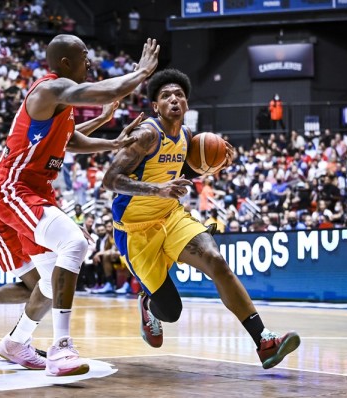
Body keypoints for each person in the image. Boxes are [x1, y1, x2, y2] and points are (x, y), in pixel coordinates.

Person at [0, 34, 159, 376]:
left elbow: (70, 140)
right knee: (75, 243)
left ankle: (16, 343)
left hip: (36, 192)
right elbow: (106, 91)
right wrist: (141, 73)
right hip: (13, 190)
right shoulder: (48, 90)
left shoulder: (60, 109)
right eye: (84, 56)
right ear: (65, 63)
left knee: (50, 282)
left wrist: (113, 141)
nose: (90, 62)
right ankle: (61, 347)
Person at [102, 69, 300, 369]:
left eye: (179, 94)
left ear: (187, 104)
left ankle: (264, 341)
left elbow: (181, 171)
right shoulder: (146, 135)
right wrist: (157, 189)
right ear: (155, 106)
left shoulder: (186, 137)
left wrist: (213, 164)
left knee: (216, 261)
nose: (173, 99)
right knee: (171, 311)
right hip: (135, 231)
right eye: (165, 95)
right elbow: (110, 179)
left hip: (171, 216)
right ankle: (148, 305)